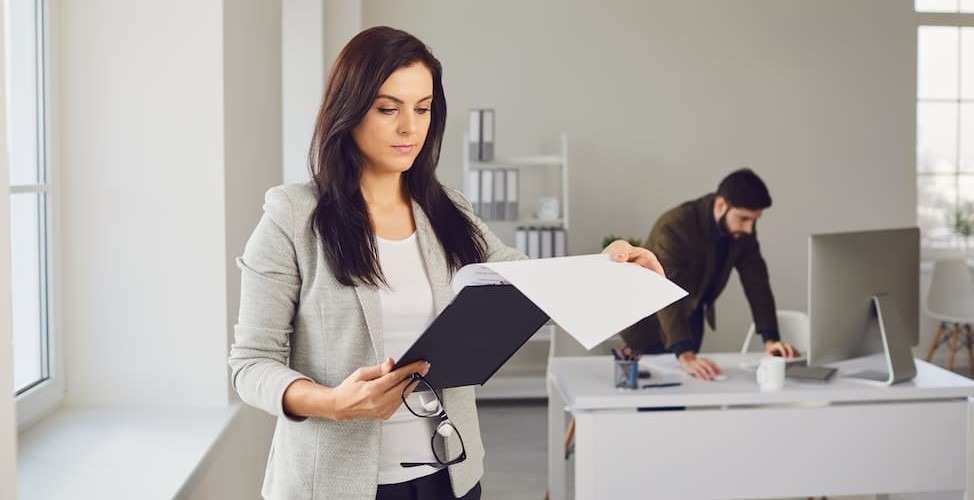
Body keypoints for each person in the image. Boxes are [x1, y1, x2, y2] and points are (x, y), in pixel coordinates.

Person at [228, 26, 663, 500]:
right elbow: (251, 365)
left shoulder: (447, 209)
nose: (409, 128)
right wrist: (334, 403)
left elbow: (525, 278)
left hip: (447, 477)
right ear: (348, 111)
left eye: (423, 108)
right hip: (334, 484)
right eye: (387, 108)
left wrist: (605, 268)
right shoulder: (292, 217)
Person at [620, 168, 797, 381]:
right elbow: (663, 289)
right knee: (655, 404)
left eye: (754, 220)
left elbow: (756, 280)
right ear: (721, 205)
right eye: (743, 219)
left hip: (691, 317)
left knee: (687, 395)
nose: (750, 229)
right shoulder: (674, 227)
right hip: (649, 323)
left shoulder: (742, 230)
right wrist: (685, 355)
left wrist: (771, 340)